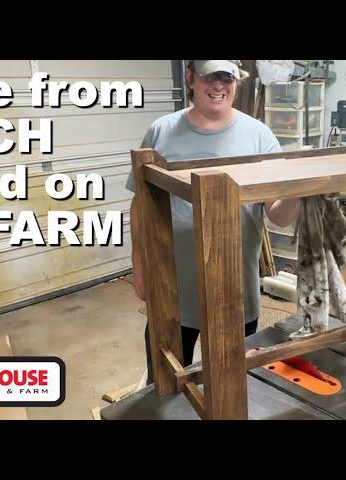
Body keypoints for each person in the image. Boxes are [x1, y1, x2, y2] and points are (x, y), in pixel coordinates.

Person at [126, 60, 300, 383]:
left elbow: (278, 214)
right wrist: (139, 264)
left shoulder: (259, 137)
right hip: (172, 291)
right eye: (210, 75)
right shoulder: (162, 131)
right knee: (166, 384)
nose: (218, 85)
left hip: (236, 293)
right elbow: (141, 205)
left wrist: (297, 188)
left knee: (232, 385)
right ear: (190, 77)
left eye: (226, 77)